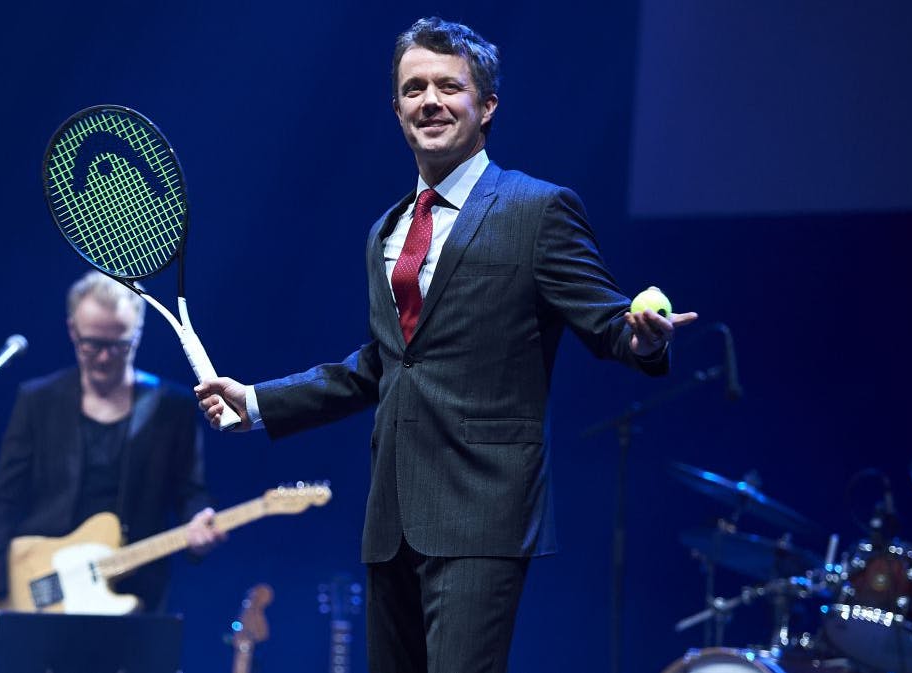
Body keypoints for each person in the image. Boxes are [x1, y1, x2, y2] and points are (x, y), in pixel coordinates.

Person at [195, 17, 699, 673]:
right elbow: (384, 364)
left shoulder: (536, 210)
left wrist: (642, 336)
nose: (429, 101)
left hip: (482, 510)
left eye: (447, 86)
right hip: (393, 514)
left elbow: (607, 321)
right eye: (413, 89)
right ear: (397, 108)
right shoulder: (387, 230)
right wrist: (259, 400)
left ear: (486, 105)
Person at [0, 270, 224, 635]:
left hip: (133, 593)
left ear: (138, 334)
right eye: (92, 344)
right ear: (72, 330)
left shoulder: (172, 407)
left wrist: (199, 522)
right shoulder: (38, 400)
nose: (103, 358)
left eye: (118, 346)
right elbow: (2, 498)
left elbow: (190, 492)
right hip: (42, 585)